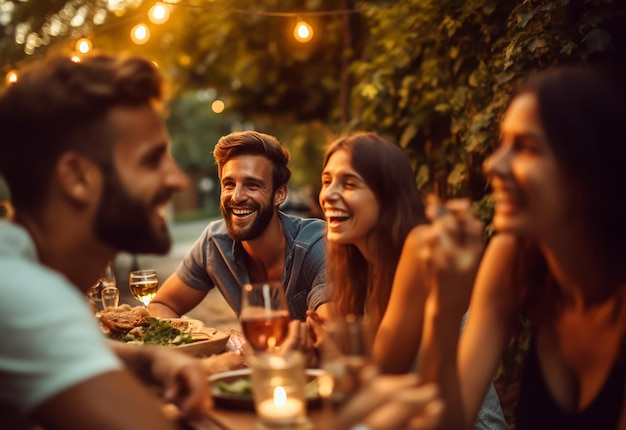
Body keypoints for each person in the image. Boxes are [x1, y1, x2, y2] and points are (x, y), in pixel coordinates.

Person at [0, 53, 210, 429]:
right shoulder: (24, 293)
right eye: (152, 160)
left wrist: (142, 359)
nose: (177, 179)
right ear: (77, 178)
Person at [413, 65, 626, 428]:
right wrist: (443, 308)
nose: (493, 164)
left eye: (526, 148)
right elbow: (448, 422)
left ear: (590, 170)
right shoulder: (511, 257)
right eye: (502, 144)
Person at [310, 132, 508, 429]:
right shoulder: (361, 268)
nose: (328, 195)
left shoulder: (419, 246)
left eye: (349, 184)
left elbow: (383, 375)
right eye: (327, 181)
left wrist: (330, 352)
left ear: (388, 196)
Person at [148, 131, 329, 322]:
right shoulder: (215, 244)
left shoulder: (316, 245)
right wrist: (209, 338)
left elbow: (331, 329)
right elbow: (161, 305)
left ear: (279, 194)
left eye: (252, 185)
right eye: (229, 184)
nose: (236, 196)